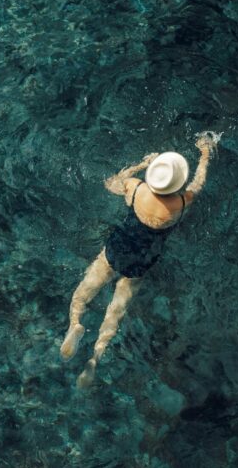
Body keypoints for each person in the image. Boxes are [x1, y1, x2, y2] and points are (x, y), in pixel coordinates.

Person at [60, 131, 220, 388]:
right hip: (142, 261)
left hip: (117, 248)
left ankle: (75, 324)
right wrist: (204, 154)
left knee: (81, 295)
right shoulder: (181, 202)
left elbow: (112, 182)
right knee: (116, 311)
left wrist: (142, 164)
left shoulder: (137, 190)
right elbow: (198, 184)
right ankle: (95, 357)